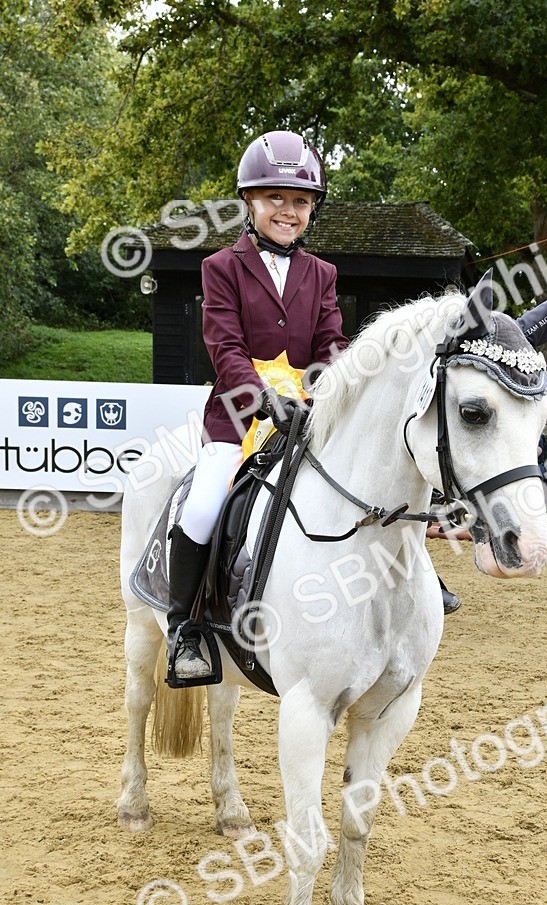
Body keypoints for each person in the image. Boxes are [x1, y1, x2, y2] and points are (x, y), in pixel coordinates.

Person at [166, 129, 348, 681]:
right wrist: (265, 399)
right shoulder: (220, 267)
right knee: (202, 508)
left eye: (300, 202)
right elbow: (224, 346)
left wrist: (327, 390)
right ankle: (186, 630)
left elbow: (331, 346)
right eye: (276, 199)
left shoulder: (323, 275)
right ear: (249, 201)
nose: (288, 212)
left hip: (306, 415)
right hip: (239, 415)